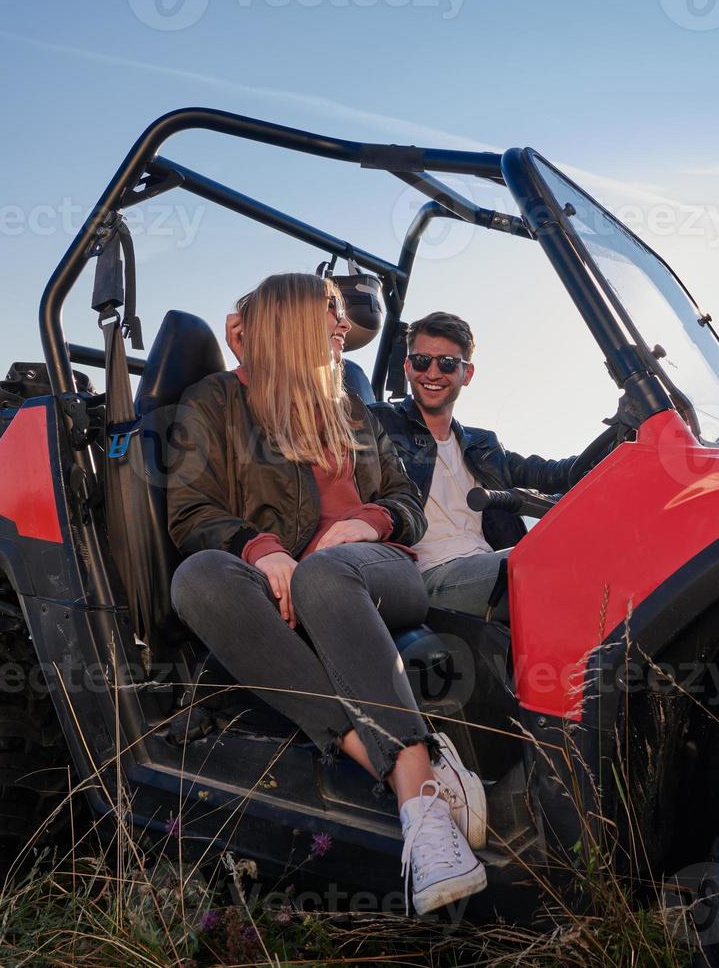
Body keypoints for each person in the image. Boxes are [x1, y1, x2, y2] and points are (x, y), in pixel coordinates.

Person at [168, 274, 487, 914]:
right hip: (281, 575)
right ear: (286, 321)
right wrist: (263, 548)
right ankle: (415, 779)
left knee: (327, 572)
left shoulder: (351, 409)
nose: (345, 328)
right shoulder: (215, 403)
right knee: (197, 578)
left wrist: (363, 523)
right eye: (331, 315)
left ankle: (421, 815)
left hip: (377, 571)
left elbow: (405, 504)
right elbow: (189, 510)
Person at [369, 311, 610, 622]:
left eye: (446, 364)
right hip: (424, 575)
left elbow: (558, 474)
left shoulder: (483, 445)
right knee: (549, 565)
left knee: (599, 548)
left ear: (466, 374)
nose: (432, 373)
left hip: (487, 564)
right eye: (421, 361)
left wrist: (620, 441)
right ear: (407, 366)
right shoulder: (379, 423)